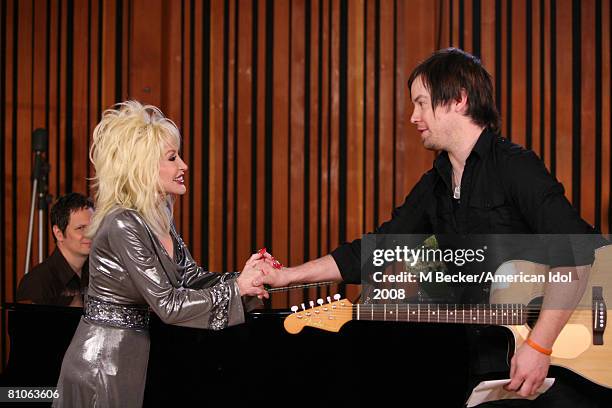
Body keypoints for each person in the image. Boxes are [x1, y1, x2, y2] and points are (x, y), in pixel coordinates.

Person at [257, 48, 609, 407]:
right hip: (489, 364)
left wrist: (539, 344)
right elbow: (375, 252)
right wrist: (288, 276)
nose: (413, 117)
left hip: (557, 366)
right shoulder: (435, 186)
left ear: (458, 99)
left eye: (421, 103)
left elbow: (576, 255)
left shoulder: (515, 167)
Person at [54, 101, 270, 407]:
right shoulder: (121, 222)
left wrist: (247, 278)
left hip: (130, 357)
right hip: (103, 363)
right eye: (172, 158)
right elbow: (168, 303)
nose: (183, 166)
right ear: (143, 167)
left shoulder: (156, 217)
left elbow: (192, 278)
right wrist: (237, 288)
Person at [17, 193, 93, 307]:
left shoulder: (98, 274)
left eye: (93, 227)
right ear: (59, 234)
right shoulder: (36, 282)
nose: (90, 234)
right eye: (80, 228)